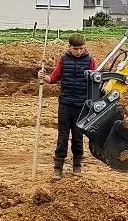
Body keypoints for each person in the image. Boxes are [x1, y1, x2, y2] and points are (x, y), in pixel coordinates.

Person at [40, 33, 96, 178]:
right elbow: (53, 77)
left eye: (81, 48)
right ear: (69, 47)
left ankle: (77, 166)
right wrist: (44, 77)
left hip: (82, 105)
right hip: (65, 104)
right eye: (75, 49)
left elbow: (95, 82)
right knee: (62, 136)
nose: (78, 51)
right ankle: (58, 167)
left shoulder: (90, 61)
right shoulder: (63, 60)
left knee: (78, 136)